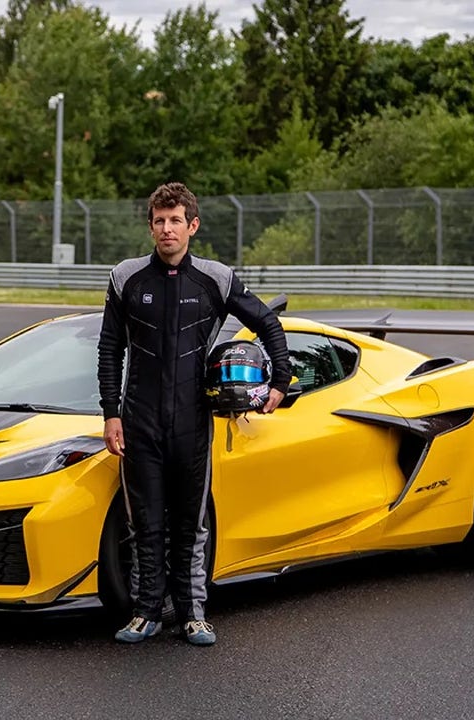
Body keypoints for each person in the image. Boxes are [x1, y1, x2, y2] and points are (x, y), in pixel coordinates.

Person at [96, 182, 292, 646]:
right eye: (159, 221)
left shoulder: (215, 278)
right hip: (139, 419)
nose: (167, 229)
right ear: (150, 227)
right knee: (145, 522)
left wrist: (280, 382)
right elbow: (109, 349)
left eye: (176, 221)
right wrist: (111, 413)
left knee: (192, 523)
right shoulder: (126, 277)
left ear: (193, 226)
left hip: (192, 421)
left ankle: (193, 615)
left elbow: (267, 322)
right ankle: (146, 613)